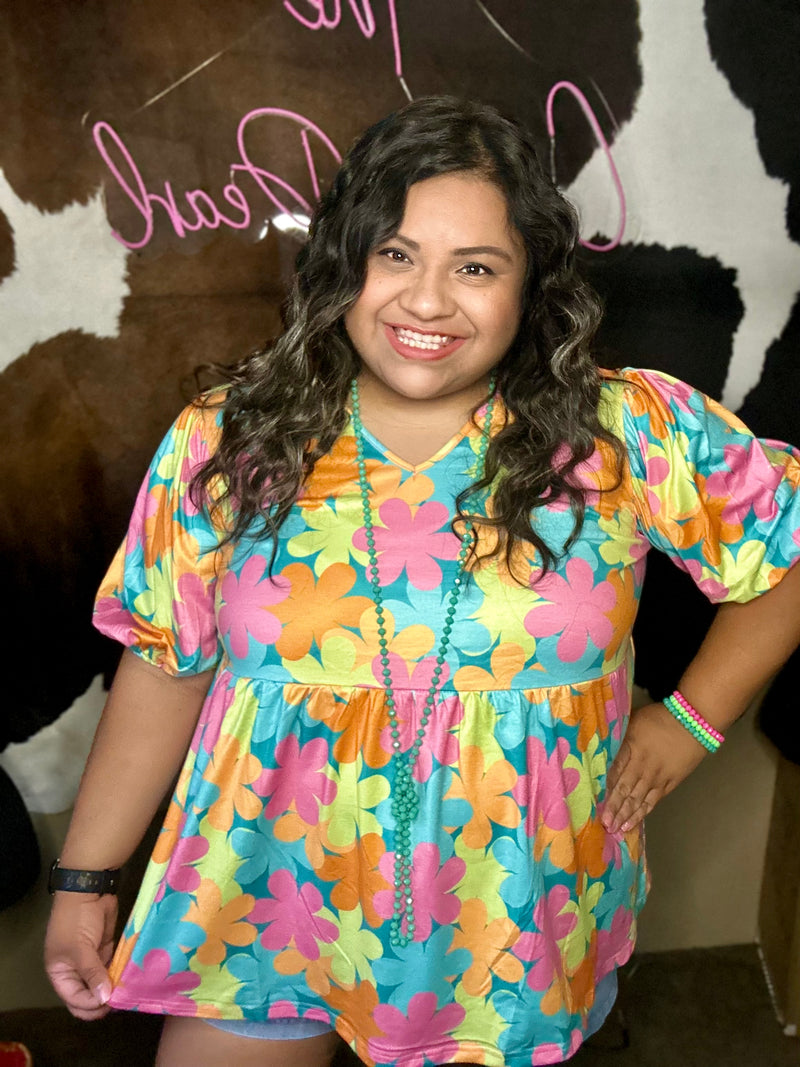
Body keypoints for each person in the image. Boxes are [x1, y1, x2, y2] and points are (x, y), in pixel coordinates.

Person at [45, 96, 800, 1067]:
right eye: (395, 254)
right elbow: (165, 662)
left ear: (530, 285)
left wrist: (689, 722)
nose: (427, 301)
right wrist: (85, 877)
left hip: (509, 921)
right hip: (264, 892)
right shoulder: (231, 437)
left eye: (475, 267)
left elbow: (788, 550)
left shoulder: (626, 429)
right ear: (343, 260)